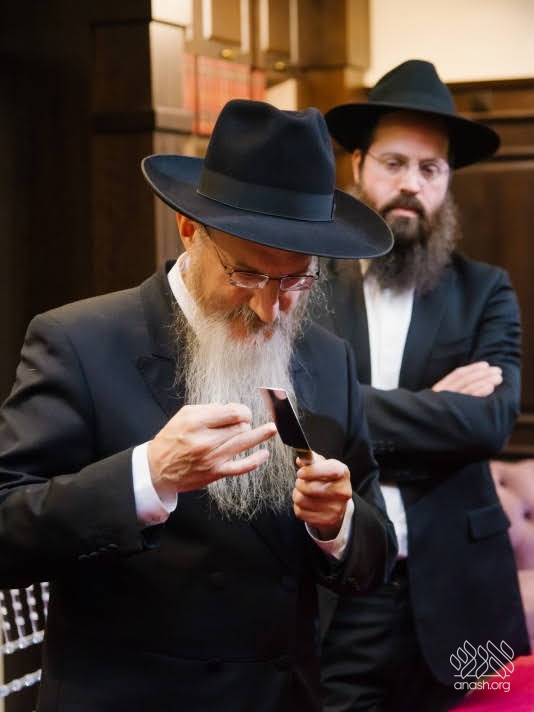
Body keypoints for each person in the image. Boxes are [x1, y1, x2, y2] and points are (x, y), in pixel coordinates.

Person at [0, 99, 397, 712]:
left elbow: (376, 553)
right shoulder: (79, 341)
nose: (268, 309)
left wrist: (337, 523)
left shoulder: (328, 358)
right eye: (246, 275)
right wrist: (147, 476)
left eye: (295, 280)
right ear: (190, 230)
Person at [314, 60, 531, 712]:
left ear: (447, 182)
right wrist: (437, 411)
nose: (411, 183)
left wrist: (346, 414)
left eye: (430, 169)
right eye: (394, 163)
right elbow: (293, 406)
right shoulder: (305, 283)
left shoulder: (485, 290)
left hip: (464, 593)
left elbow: (489, 423)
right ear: (358, 166)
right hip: (341, 592)